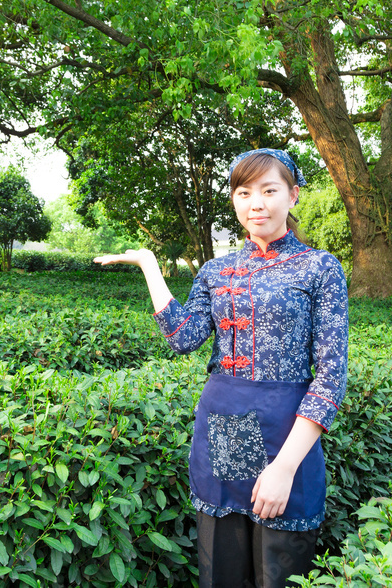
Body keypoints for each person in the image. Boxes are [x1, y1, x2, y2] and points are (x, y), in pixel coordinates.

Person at [94, 148, 348, 588]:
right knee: (225, 570)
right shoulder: (217, 270)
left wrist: (284, 468)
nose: (257, 203)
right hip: (225, 424)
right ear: (234, 200)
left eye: (270, 191)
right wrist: (149, 266)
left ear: (294, 196)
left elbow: (331, 375)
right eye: (245, 192)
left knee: (280, 571)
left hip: (289, 433)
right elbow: (183, 337)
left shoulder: (320, 267)